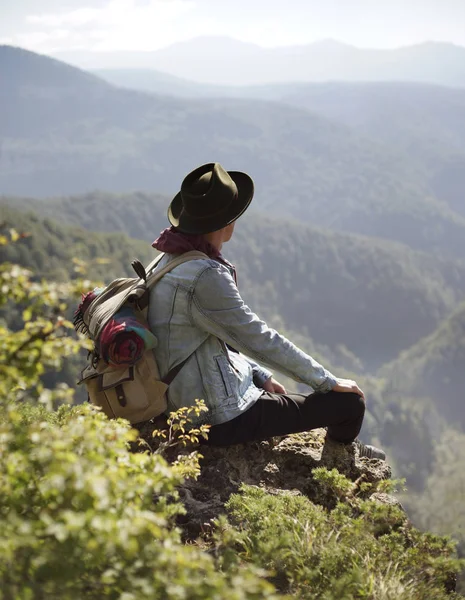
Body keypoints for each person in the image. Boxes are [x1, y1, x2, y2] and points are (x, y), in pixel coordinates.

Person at [148, 163, 385, 459]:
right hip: (215, 418)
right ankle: (343, 456)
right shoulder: (204, 276)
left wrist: (258, 374)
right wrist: (328, 381)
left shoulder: (165, 262)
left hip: (176, 402)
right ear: (228, 222)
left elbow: (199, 339)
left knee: (299, 397)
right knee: (349, 406)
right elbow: (258, 338)